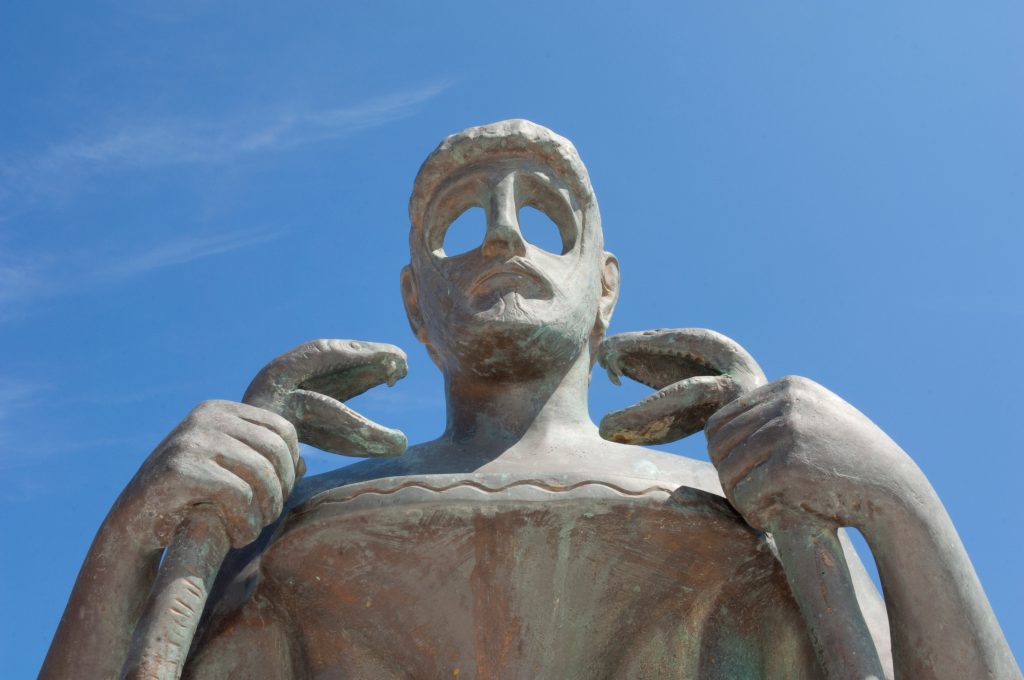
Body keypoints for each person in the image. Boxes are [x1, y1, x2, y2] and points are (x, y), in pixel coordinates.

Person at [42, 120, 1020, 679]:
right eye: (459, 220)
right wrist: (130, 543)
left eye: (546, 215)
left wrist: (902, 506)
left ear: (605, 286)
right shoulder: (283, 525)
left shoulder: (761, 503)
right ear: (412, 303)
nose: (503, 237)